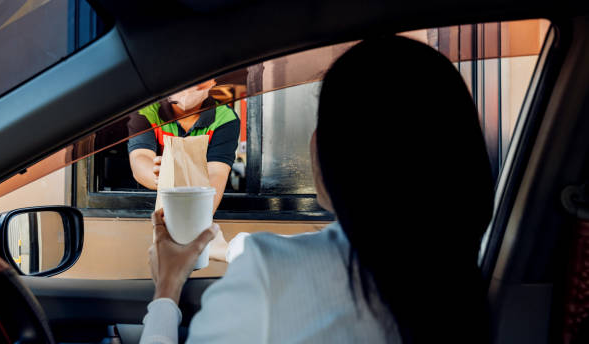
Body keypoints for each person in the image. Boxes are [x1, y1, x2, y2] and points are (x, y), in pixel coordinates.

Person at [140, 35, 495, 343]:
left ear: (322, 151)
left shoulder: (267, 279)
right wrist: (228, 247)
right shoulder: (474, 287)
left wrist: (166, 292)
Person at [127, 79, 240, 211]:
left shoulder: (225, 118)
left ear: (212, 81)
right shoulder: (146, 112)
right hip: (151, 206)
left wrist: (201, 217)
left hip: (201, 203)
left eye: (200, 80)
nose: (189, 87)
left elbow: (217, 173)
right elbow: (140, 157)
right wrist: (160, 176)